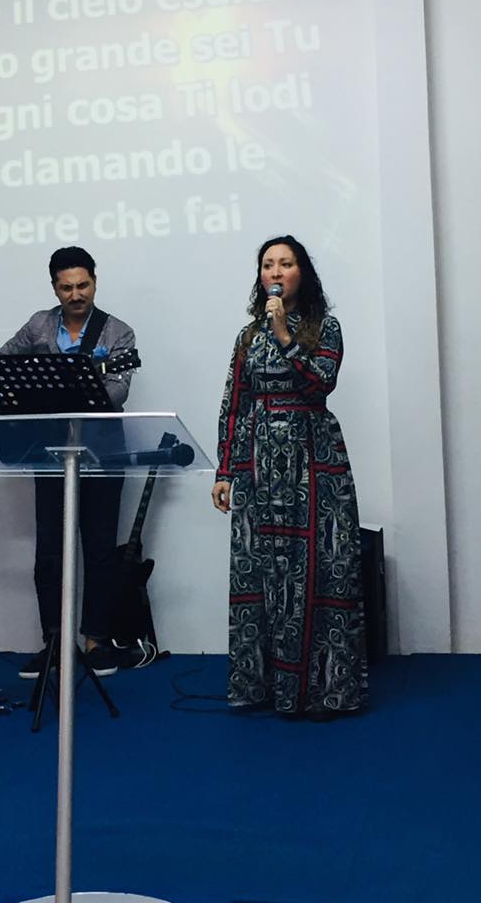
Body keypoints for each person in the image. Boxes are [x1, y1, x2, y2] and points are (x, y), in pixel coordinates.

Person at [211, 235, 368, 719]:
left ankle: (323, 690)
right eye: (268, 265)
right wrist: (225, 470)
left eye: (285, 264)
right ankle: (262, 686)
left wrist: (285, 336)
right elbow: (234, 406)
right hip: (258, 465)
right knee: (260, 570)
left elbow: (321, 382)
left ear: (303, 273)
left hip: (312, 459)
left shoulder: (326, 327)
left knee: (318, 566)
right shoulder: (246, 337)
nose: (275, 273)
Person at [0, 245, 135, 679]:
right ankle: (55, 642)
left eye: (83, 285)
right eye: (67, 287)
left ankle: (95, 641)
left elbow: (117, 392)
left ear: (95, 281)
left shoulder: (118, 332)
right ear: (54, 288)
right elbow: (1, 364)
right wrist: (43, 390)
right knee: (50, 552)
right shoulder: (38, 325)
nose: (76, 294)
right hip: (50, 452)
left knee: (99, 549)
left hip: (103, 453)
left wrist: (59, 388)